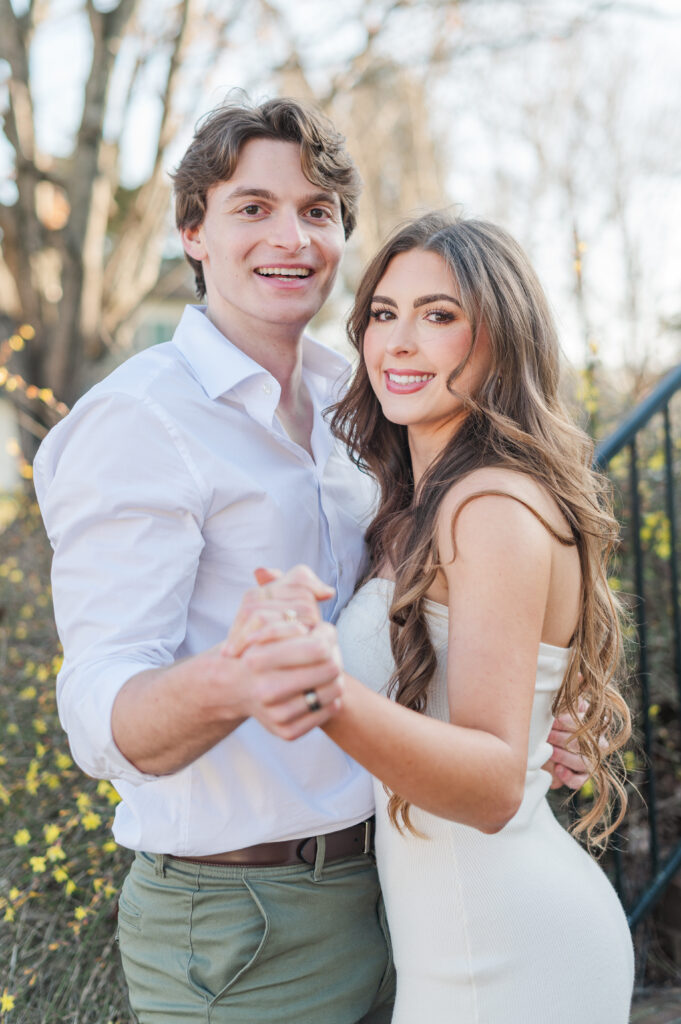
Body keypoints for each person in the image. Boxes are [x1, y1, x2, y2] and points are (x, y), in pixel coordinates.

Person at [34, 97, 589, 1024]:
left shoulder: (365, 400)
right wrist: (235, 679)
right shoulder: (140, 421)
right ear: (192, 232)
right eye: (252, 206)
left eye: (318, 211)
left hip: (399, 894)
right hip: (241, 924)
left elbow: (435, 620)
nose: (290, 235)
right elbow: (98, 707)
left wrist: (530, 722)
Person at [233, 213, 635, 1022]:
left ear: (501, 337)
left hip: (509, 953)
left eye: (438, 315)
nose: (399, 343)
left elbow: (490, 786)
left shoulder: (487, 504)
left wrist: (324, 695)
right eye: (383, 313)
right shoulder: (418, 506)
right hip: (447, 946)